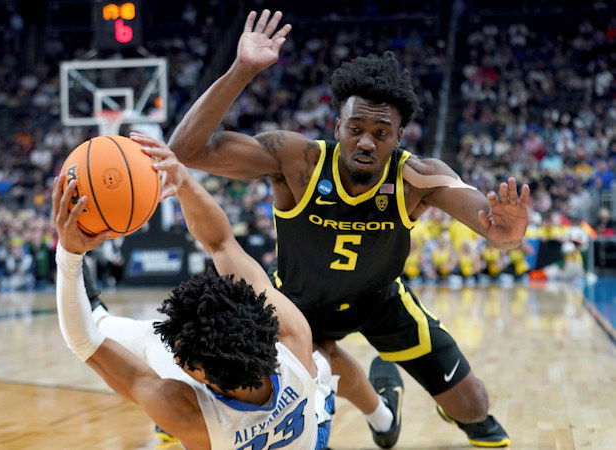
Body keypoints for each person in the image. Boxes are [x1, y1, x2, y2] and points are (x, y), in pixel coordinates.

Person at [132, 9, 530, 447]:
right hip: (298, 301)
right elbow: (186, 150)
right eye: (355, 127)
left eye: (381, 132)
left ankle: (428, 405)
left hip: (381, 302)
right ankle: (381, 406)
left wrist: (500, 233)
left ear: (399, 137)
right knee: (259, 361)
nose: (365, 141)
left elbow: (480, 213)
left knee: (474, 406)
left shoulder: (416, 177)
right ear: (336, 125)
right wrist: (241, 69)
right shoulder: (297, 160)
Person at [52, 145, 336, 449]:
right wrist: (184, 182)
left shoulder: (188, 417)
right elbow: (221, 243)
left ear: (203, 377)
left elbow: (85, 343)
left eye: (183, 359)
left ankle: (98, 314)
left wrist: (69, 254)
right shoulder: (294, 339)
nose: (176, 354)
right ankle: (98, 314)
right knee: (319, 366)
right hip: (311, 423)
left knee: (152, 340)